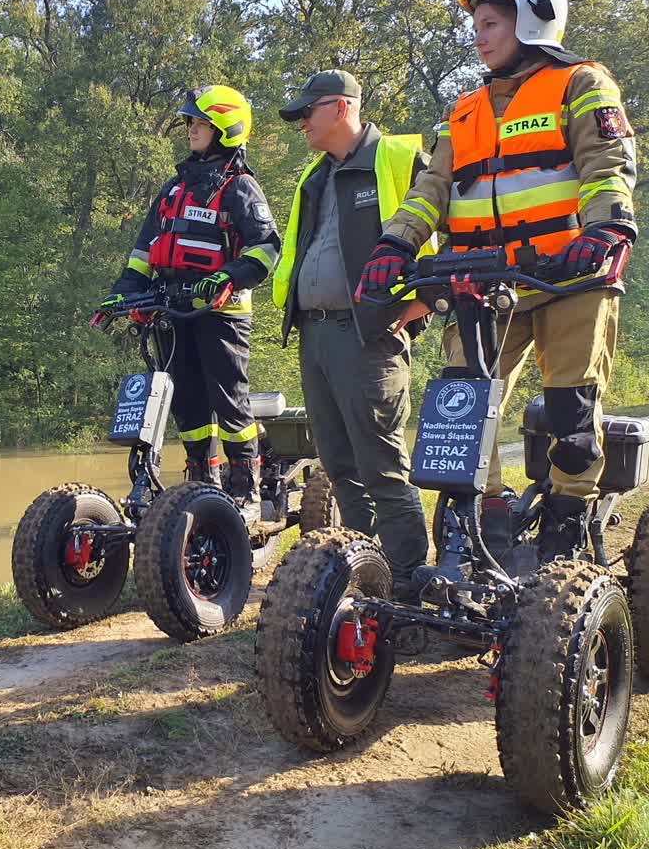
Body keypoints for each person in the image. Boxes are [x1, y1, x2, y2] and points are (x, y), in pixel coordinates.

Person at [360, 0, 639, 564]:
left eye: (491, 22)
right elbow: (430, 189)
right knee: (460, 407)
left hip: (573, 272)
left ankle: (568, 525)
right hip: (486, 284)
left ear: (535, 17)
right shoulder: (463, 110)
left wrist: (608, 226)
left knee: (571, 409)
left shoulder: (581, 84)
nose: (479, 36)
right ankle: (477, 520)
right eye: (477, 25)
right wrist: (394, 244)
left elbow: (607, 165)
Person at [273, 69, 436, 579]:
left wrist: (424, 304)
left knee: (382, 468)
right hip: (316, 335)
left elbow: (455, 235)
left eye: (309, 111)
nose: (302, 122)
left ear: (341, 107)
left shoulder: (399, 160)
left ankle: (408, 581)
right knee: (340, 466)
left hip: (369, 337)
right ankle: (361, 576)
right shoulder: (314, 176)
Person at [95, 84, 281, 522]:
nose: (191, 129)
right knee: (189, 403)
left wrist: (225, 278)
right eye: (191, 122)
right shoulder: (173, 188)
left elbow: (266, 249)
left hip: (222, 313)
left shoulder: (241, 188)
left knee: (229, 398)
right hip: (172, 310)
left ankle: (245, 487)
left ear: (225, 130)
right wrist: (121, 293)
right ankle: (201, 478)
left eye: (200, 123)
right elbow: (143, 252)